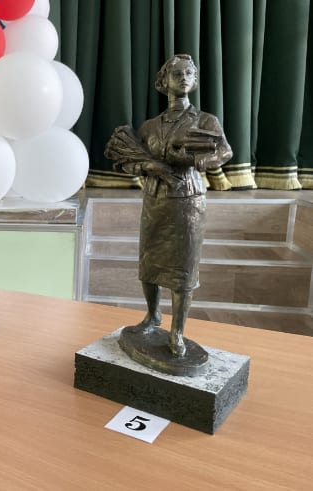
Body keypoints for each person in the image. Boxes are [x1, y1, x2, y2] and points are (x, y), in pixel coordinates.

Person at [105, 54, 233, 357]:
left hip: (188, 202)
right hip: (155, 199)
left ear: (195, 80)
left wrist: (200, 161)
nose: (184, 78)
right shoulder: (150, 127)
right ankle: (152, 315)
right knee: (149, 262)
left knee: (183, 268)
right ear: (164, 81)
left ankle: (177, 331)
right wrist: (148, 167)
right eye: (177, 73)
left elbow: (225, 151)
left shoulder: (205, 120)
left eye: (189, 73)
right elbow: (128, 164)